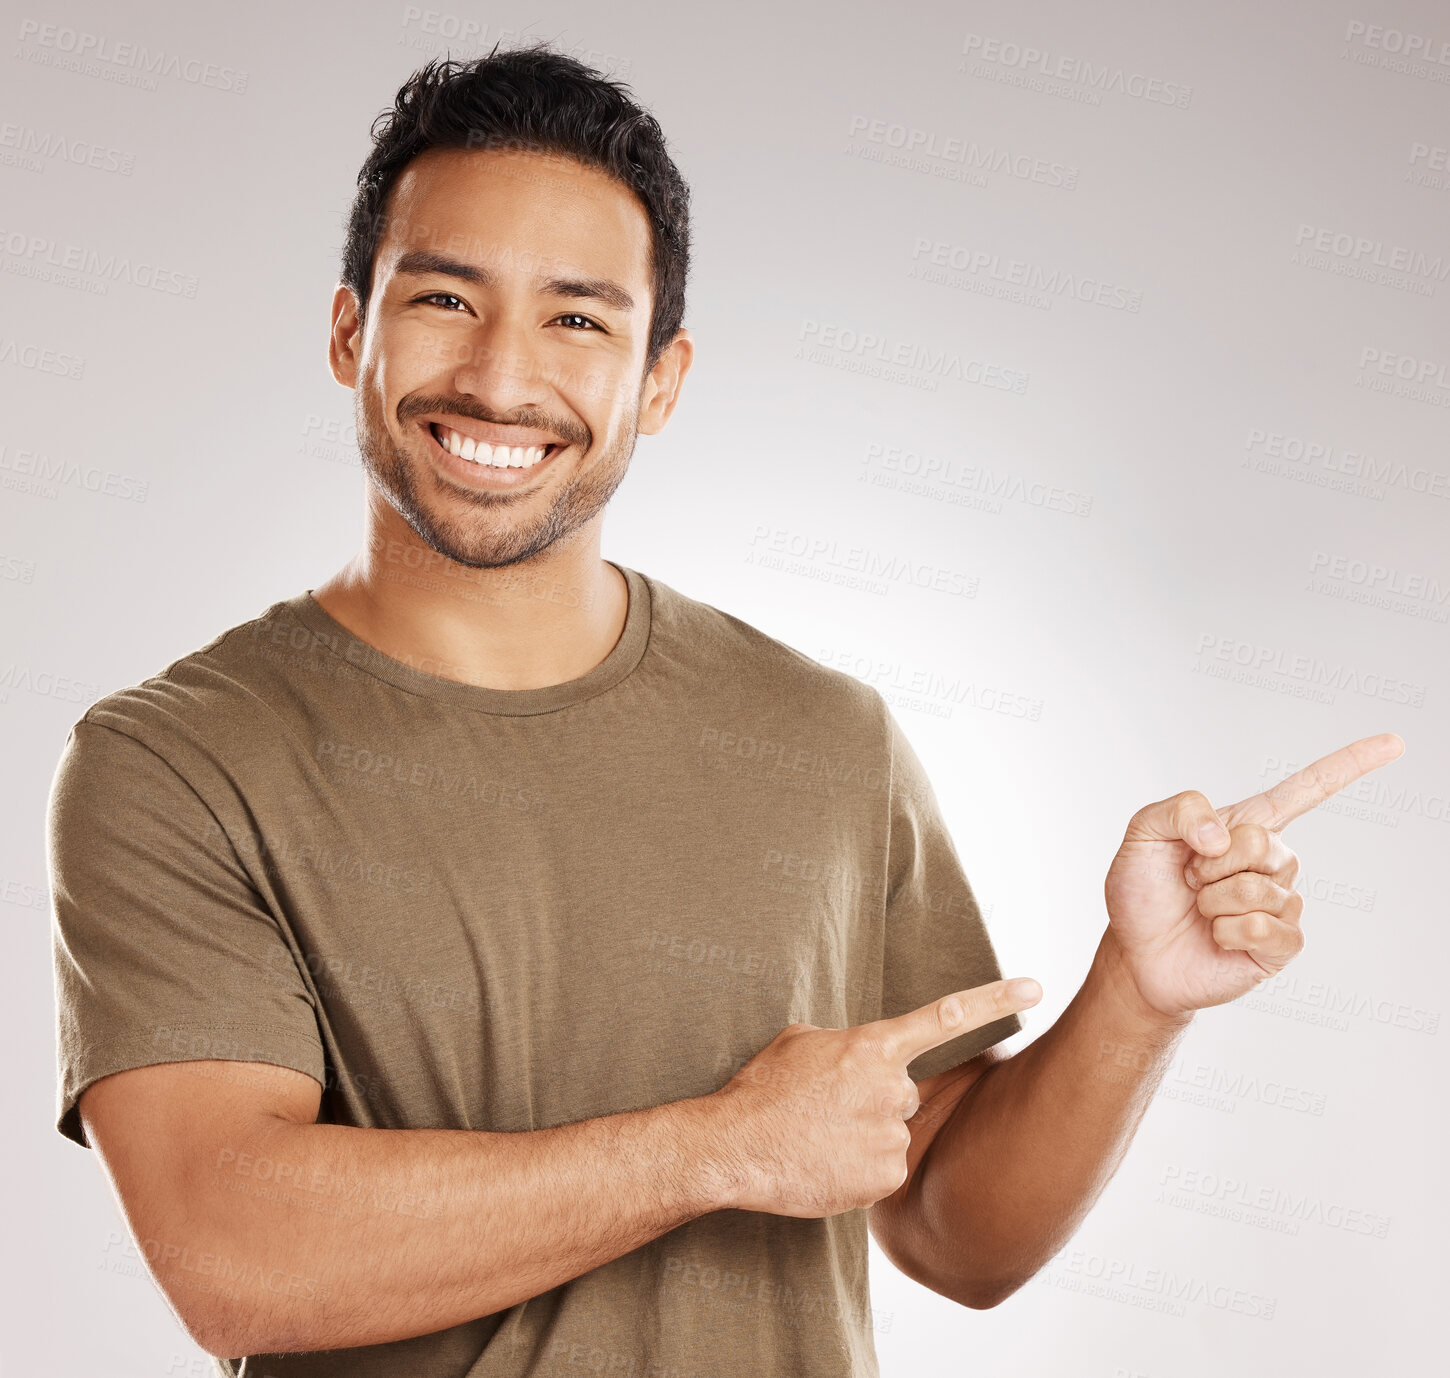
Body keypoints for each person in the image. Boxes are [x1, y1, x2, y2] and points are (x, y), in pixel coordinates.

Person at [47, 42, 1403, 1378]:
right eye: (445, 299)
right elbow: (233, 1256)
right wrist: (714, 1144)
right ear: (351, 330)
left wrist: (1136, 994)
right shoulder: (176, 759)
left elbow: (952, 1233)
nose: (503, 378)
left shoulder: (824, 737)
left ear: (661, 380)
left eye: (578, 317)